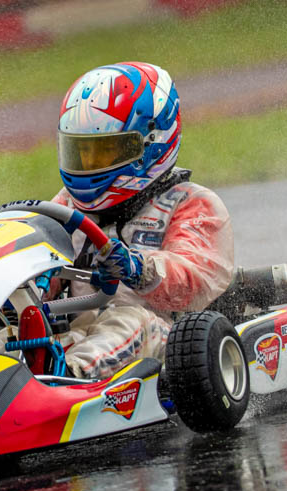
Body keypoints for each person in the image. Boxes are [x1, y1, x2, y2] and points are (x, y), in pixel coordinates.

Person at [38, 62, 235, 380]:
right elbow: (40, 265)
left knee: (129, 321)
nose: (89, 165)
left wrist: (138, 268)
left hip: (172, 340)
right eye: (81, 153)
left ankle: (69, 379)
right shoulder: (64, 207)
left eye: (104, 153)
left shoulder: (190, 203)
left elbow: (194, 279)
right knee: (12, 329)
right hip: (82, 334)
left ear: (151, 145)